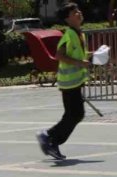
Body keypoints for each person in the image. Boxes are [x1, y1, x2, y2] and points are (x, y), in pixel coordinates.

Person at [37, 3, 91, 161]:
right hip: (68, 82)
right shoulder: (69, 34)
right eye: (75, 12)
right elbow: (59, 55)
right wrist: (80, 63)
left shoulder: (79, 33)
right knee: (74, 114)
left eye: (78, 10)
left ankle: (51, 140)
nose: (79, 13)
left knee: (75, 114)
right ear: (68, 18)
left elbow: (79, 54)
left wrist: (95, 55)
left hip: (75, 81)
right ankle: (48, 137)